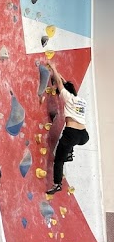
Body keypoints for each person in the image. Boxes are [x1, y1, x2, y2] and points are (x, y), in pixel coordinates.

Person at [46, 61, 88, 195]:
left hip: (72, 134)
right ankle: (69, 153)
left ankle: (57, 184)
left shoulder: (68, 98)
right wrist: (58, 75)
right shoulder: (82, 101)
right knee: (68, 145)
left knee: (59, 160)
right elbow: (64, 83)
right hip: (84, 136)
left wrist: (53, 67)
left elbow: (60, 83)